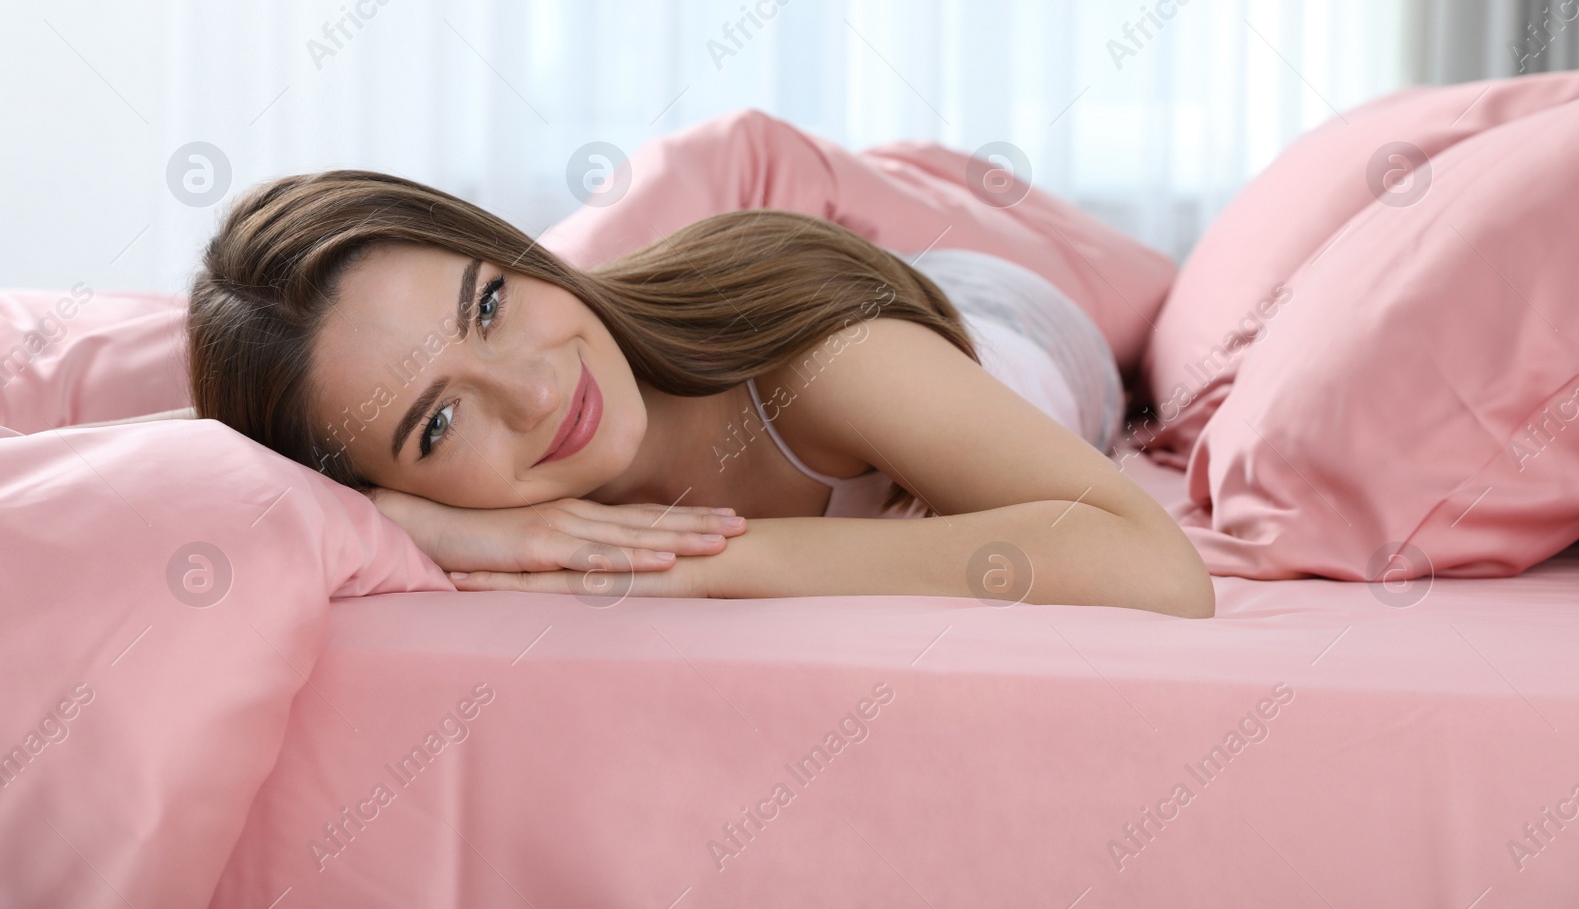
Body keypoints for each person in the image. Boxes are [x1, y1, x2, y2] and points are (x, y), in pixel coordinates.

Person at [180, 169, 1213, 617]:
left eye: (488, 302)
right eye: (438, 421)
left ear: (508, 246)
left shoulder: (821, 356)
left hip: (1011, 320)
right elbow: (189, 476)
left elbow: (1158, 568)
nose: (537, 391)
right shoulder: (439, 499)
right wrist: (405, 521)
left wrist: (706, 563)